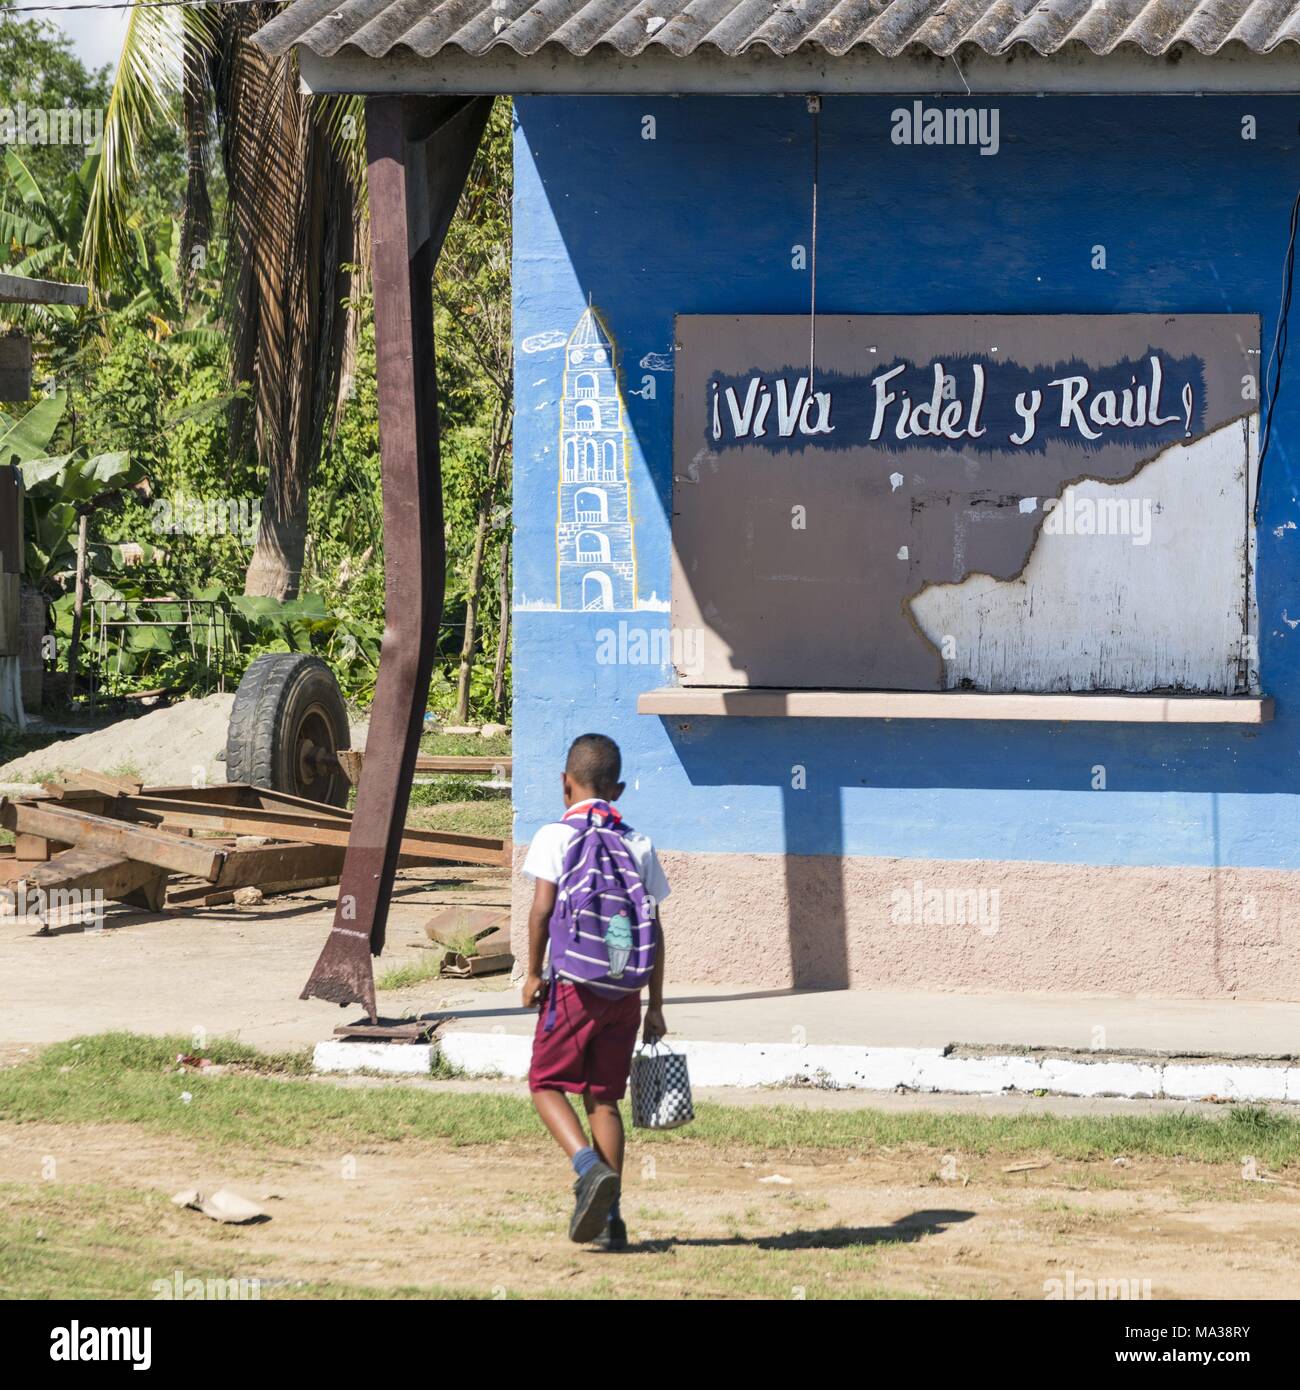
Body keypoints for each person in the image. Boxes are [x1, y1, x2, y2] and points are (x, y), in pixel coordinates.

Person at [521, 733, 668, 1251]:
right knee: (604, 1101)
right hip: (625, 994)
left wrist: (534, 973)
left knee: (544, 1083)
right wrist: (656, 1006)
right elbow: (655, 925)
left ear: (565, 784)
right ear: (619, 790)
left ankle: (587, 1170)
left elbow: (541, 909)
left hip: (573, 989)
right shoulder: (639, 843)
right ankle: (612, 1220)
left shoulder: (554, 837)